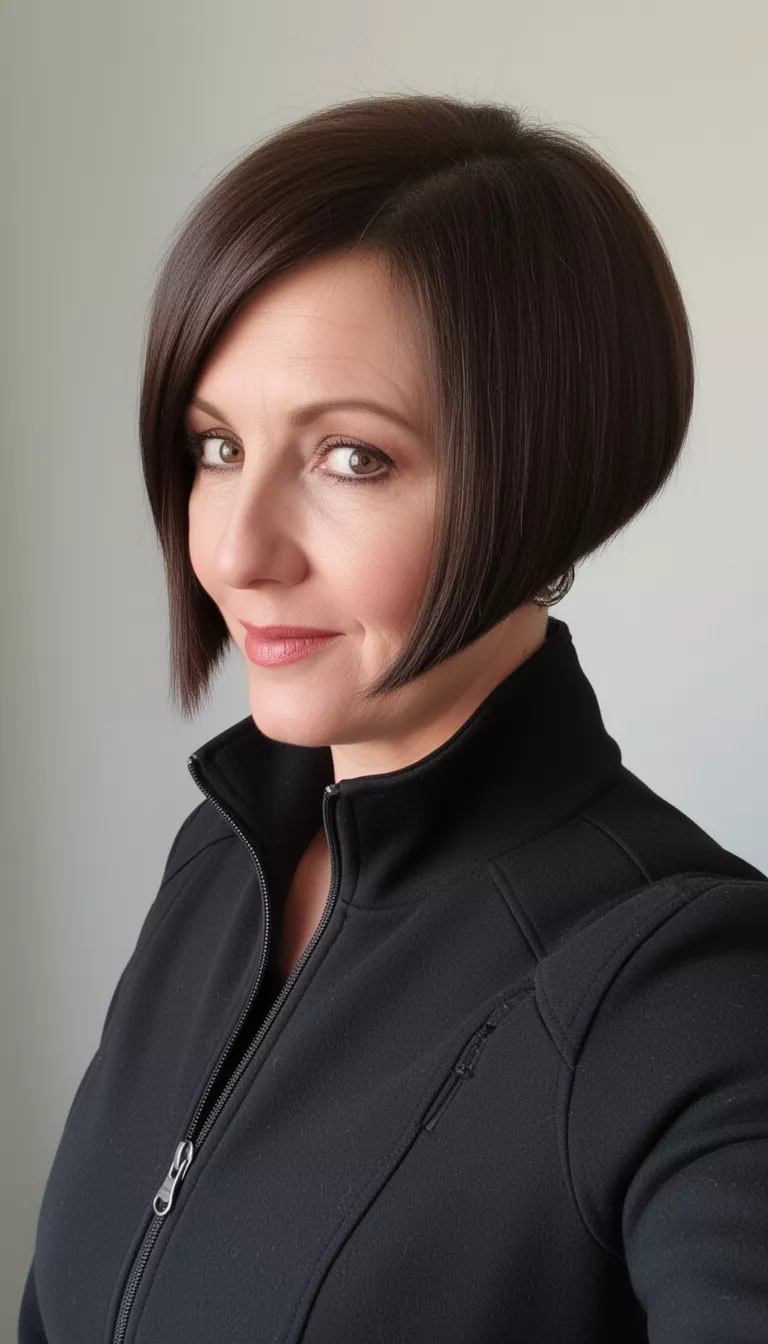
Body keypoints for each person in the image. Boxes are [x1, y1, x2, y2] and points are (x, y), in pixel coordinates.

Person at [19, 92, 768, 1344]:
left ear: (544, 478)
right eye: (214, 446)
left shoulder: (683, 990)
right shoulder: (222, 857)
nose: (240, 551)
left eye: (350, 458)